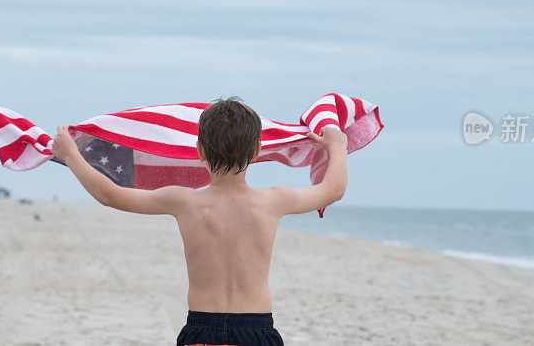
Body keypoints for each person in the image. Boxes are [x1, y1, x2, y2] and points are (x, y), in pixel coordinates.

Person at [51, 96, 348, 346]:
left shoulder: (185, 201)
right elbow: (333, 189)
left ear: (200, 151)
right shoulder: (273, 201)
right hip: (258, 330)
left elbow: (111, 195)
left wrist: (71, 154)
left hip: (202, 330)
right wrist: (337, 147)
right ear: (257, 151)